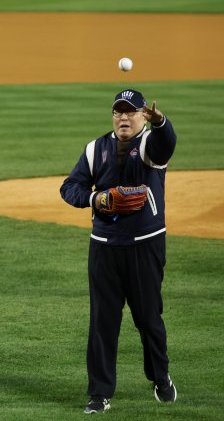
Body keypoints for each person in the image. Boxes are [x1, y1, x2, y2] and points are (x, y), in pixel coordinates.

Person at [60, 89, 178, 414]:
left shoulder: (150, 145)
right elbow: (69, 187)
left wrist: (161, 123)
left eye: (130, 111)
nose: (124, 117)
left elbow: (166, 143)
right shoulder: (95, 149)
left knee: (148, 319)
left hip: (145, 245)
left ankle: (160, 376)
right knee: (103, 322)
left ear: (142, 116)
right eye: (118, 112)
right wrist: (94, 199)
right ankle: (99, 394)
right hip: (104, 248)